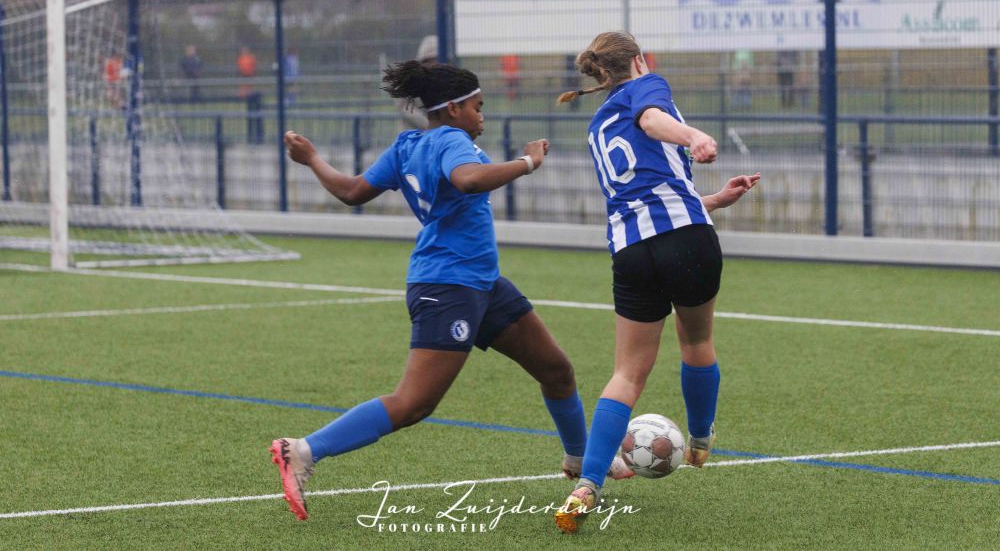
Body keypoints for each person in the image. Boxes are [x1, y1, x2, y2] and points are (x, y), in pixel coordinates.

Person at [269, 60, 631, 521]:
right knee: (414, 403)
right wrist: (527, 163)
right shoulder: (452, 141)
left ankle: (579, 460)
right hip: (449, 287)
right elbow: (468, 179)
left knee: (556, 370)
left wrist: (313, 160)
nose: (482, 117)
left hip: (482, 283)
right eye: (478, 107)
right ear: (454, 108)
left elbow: (353, 191)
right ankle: (302, 450)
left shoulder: (408, 145)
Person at [553, 31, 760, 533]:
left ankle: (587, 486)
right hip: (685, 240)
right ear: (640, 61)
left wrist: (712, 200)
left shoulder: (598, 125)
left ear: (600, 74)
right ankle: (701, 440)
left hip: (631, 249)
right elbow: (651, 119)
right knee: (696, 341)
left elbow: (643, 192)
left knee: (627, 373)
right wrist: (694, 137)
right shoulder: (647, 86)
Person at [396, 35, 437, 130]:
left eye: (435, 59)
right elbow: (406, 108)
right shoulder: (410, 80)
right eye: (427, 61)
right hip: (416, 134)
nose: (432, 64)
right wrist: (431, 127)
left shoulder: (448, 80)